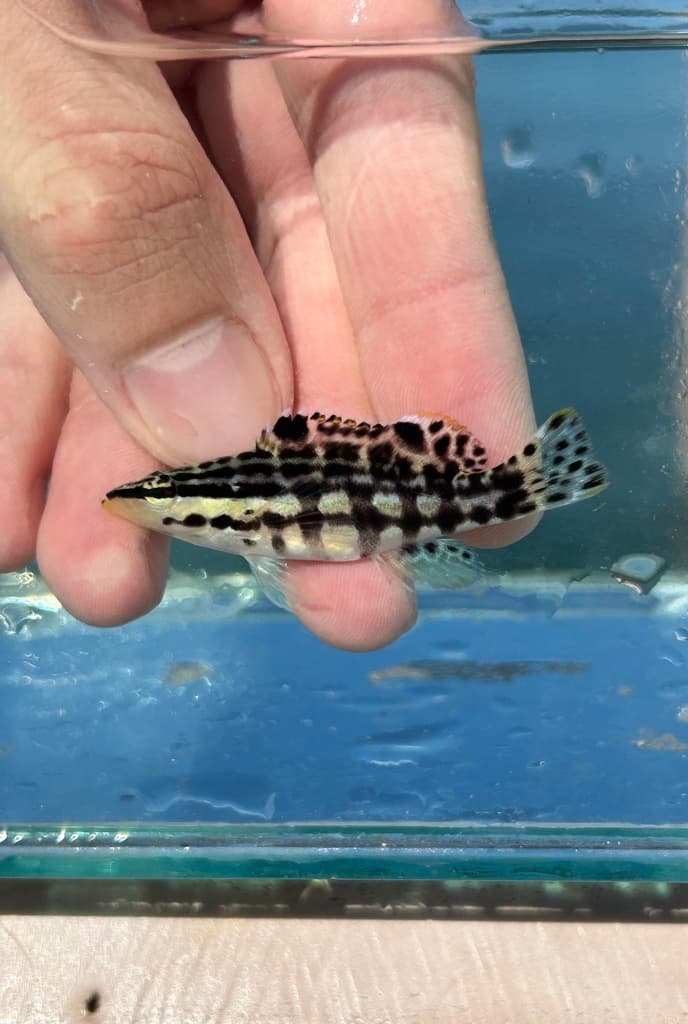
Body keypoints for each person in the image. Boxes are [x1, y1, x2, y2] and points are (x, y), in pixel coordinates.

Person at [0, 0, 535, 651]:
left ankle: (516, 488)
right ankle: (509, 491)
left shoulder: (232, 498)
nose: (153, 499)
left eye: (164, 493)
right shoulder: (235, 512)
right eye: (161, 491)